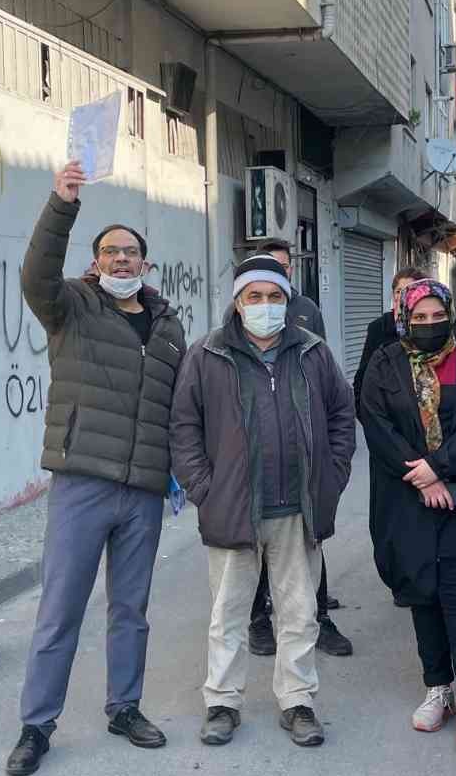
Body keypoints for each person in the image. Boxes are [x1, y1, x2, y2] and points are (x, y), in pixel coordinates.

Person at [4, 161, 188, 776]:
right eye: (110, 252)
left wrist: (180, 472)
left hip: (142, 491)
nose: (121, 260)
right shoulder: (73, 307)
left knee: (131, 608)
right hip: (82, 478)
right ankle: (36, 725)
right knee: (61, 607)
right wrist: (62, 203)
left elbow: (177, 407)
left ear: (145, 263)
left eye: (131, 252)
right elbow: (35, 275)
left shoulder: (168, 326)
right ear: (94, 261)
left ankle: (125, 707)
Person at [171, 255, 356, 749]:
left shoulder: (312, 352)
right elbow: (184, 426)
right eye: (254, 296)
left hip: (298, 509)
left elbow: (341, 413)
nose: (265, 306)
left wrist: (332, 478)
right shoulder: (207, 353)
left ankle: (297, 701)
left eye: (274, 297)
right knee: (228, 614)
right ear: (237, 302)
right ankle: (222, 703)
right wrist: (202, 489)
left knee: (299, 613)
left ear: (288, 301)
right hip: (232, 508)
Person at [358, 279, 456, 747]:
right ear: (403, 318)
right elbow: (376, 425)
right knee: (423, 593)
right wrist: (421, 477)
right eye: (419, 318)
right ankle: (436, 687)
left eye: (438, 315)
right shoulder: (385, 363)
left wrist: (438, 467)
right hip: (408, 498)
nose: (429, 324)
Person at [246, 239, 354, 659]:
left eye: (285, 268)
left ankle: (320, 618)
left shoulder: (308, 312)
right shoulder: (235, 325)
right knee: (253, 547)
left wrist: (335, 466)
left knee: (313, 545)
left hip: (305, 466)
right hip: (257, 469)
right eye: (270, 267)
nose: (279, 276)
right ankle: (259, 620)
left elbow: (332, 393)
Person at [352, 266, 425, 405]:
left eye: (410, 291)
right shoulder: (379, 328)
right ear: (393, 295)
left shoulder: (428, 327)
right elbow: (361, 382)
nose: (402, 296)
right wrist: (372, 422)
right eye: (398, 291)